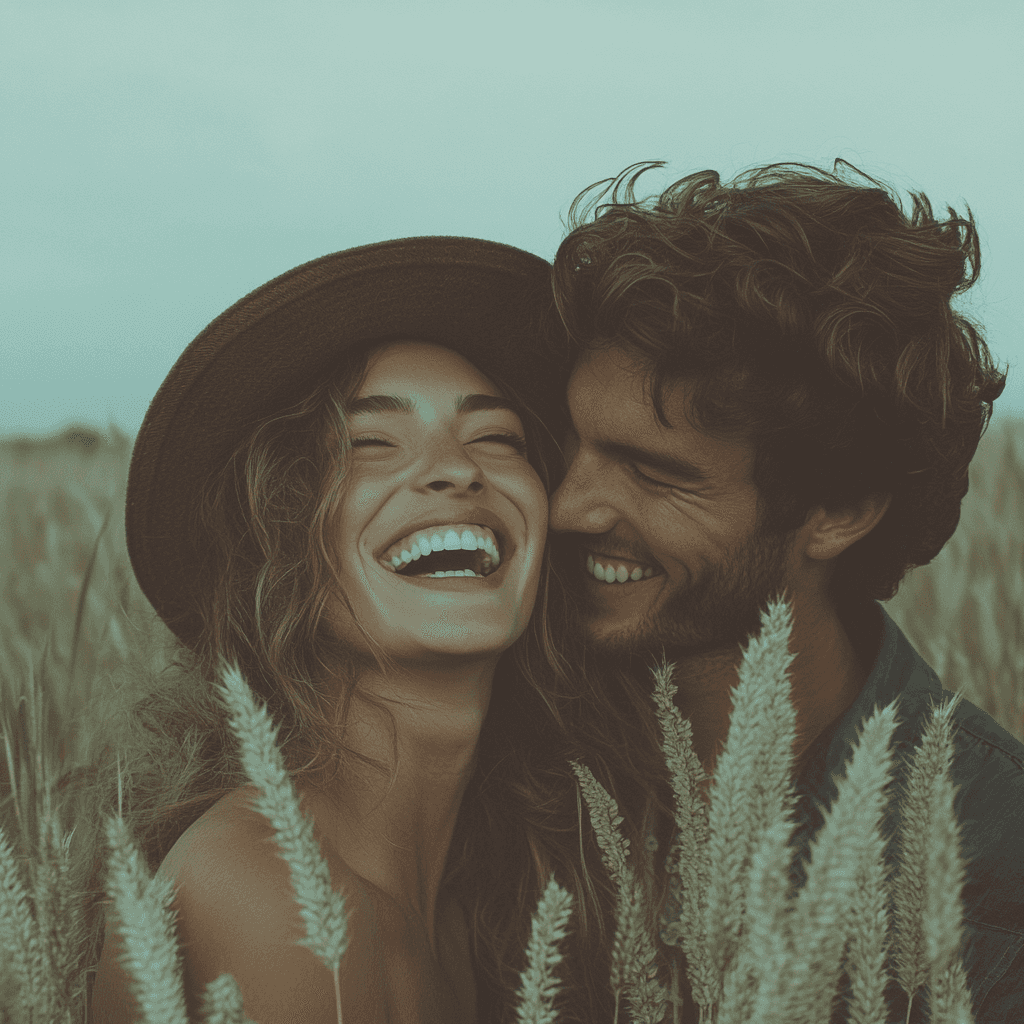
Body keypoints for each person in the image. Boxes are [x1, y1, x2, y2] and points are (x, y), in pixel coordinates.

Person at [85, 237, 654, 1024]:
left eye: (498, 438)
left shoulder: (479, 908)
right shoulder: (265, 893)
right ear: (278, 536)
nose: (457, 469)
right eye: (369, 444)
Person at [543, 159, 1024, 1022]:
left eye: (654, 473)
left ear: (838, 510)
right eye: (569, 447)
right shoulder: (523, 752)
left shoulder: (985, 847)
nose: (567, 508)